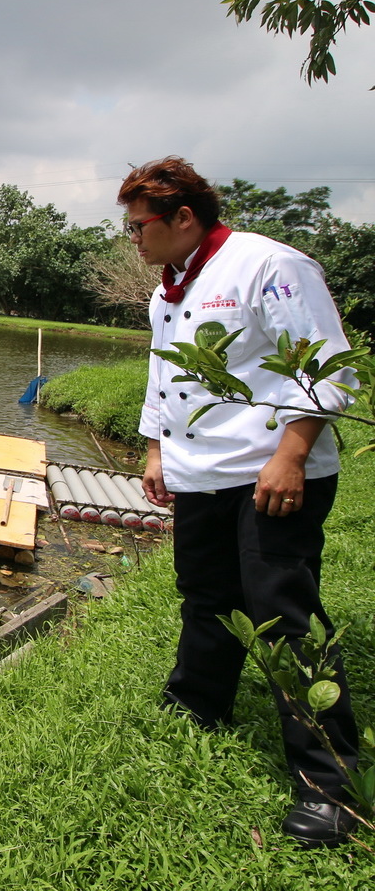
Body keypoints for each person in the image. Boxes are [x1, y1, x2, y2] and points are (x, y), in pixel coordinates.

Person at [119, 157, 359, 847]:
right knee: (206, 597)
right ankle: (198, 703)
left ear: (183, 218)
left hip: (271, 472)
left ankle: (331, 783)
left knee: (282, 614)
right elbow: (164, 374)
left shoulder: (270, 266)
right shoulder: (171, 286)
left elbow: (325, 367)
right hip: (200, 471)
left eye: (140, 226)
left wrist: (290, 456)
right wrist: (158, 449)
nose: (133, 239)